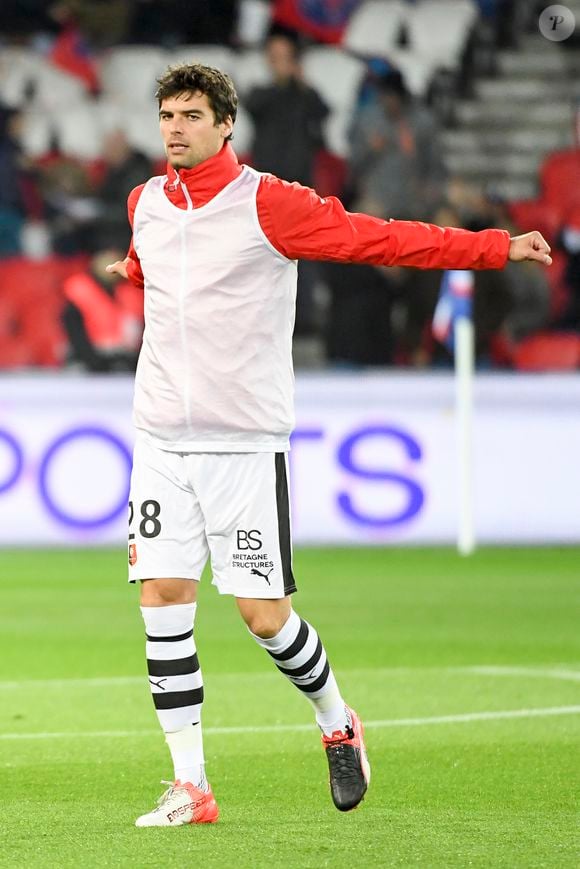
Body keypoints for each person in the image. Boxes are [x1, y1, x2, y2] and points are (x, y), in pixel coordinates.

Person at [106, 63, 551, 828]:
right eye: (166, 115)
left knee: (263, 616)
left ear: (224, 125)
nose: (174, 128)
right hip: (159, 442)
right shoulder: (145, 202)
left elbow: (376, 237)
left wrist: (491, 247)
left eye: (189, 115)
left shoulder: (269, 203)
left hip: (243, 444)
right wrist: (131, 269)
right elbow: (153, 268)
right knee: (161, 601)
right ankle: (191, 785)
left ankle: (337, 720)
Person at [62, 247, 143, 372]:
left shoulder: (132, 291)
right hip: (89, 360)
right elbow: (75, 333)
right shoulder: (80, 290)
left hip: (128, 360)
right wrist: (94, 362)